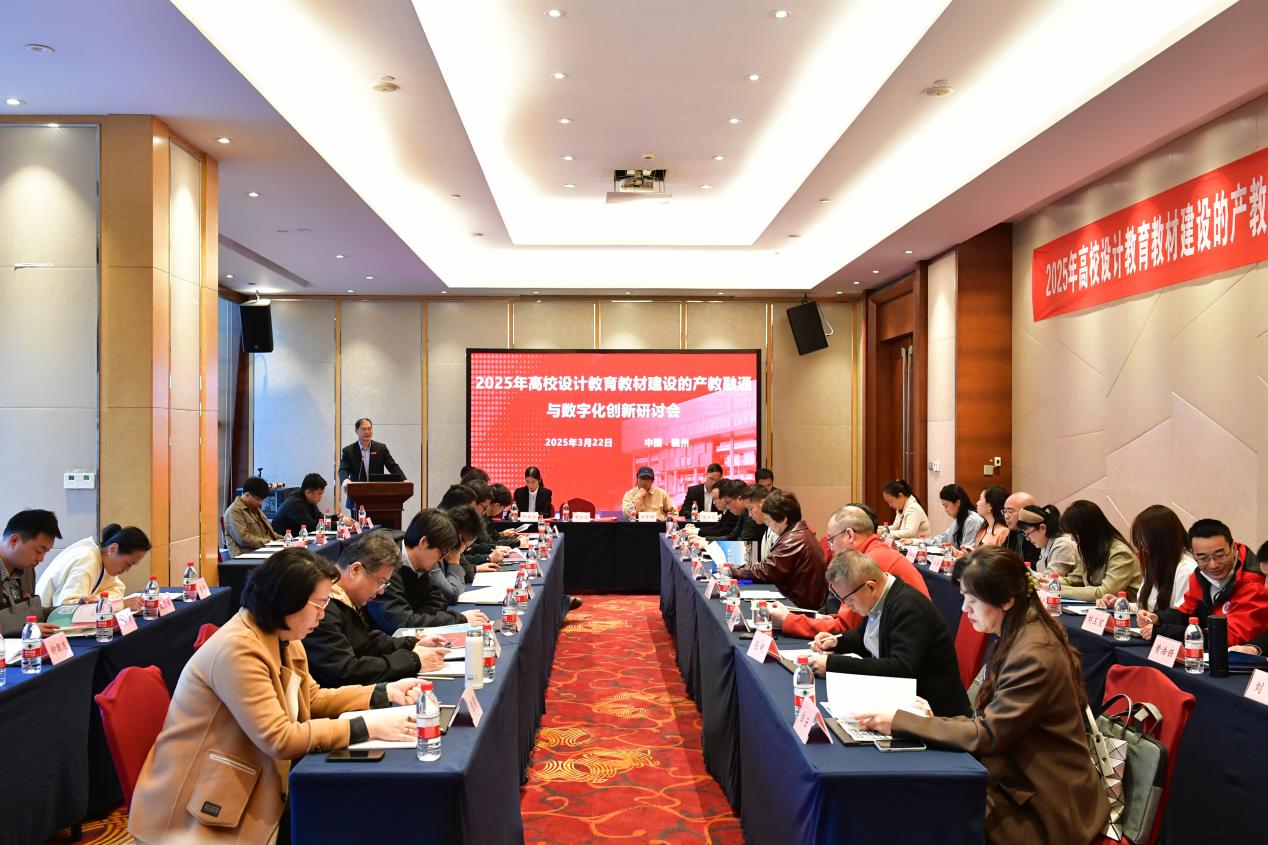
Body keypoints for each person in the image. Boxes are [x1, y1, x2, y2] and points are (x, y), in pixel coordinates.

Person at [128, 548, 421, 844]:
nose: (323, 614)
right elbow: (279, 738)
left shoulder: (285, 637)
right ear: (287, 601)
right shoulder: (238, 649)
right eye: (319, 604)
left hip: (247, 781)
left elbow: (311, 699)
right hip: (199, 810)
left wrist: (383, 693)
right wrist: (365, 727)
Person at [856, 546, 1109, 845]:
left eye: (973, 600)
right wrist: (929, 721)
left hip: (1047, 804)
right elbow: (991, 723)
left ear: (1006, 601)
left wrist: (901, 722)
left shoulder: (1033, 655)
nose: (964, 609)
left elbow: (987, 734)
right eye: (964, 598)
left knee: (923, 807)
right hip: (1016, 779)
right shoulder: (1019, 633)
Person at [805, 551, 970, 717]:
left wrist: (833, 665)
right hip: (905, 701)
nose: (847, 606)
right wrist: (836, 641)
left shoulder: (909, 607)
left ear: (870, 587)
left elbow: (900, 669)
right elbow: (865, 636)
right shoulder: (881, 597)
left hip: (937, 714)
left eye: (848, 600)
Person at [303, 532, 448, 686]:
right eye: (380, 582)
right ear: (355, 570)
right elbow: (345, 672)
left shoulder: (344, 600)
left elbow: (366, 641)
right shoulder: (322, 610)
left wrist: (413, 643)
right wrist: (412, 660)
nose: (381, 591)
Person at [772, 504, 929, 637]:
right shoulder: (874, 552)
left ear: (849, 535)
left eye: (832, 540)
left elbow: (845, 627)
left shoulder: (868, 563)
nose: (831, 548)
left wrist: (787, 620)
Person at [1141, 518, 1268, 646]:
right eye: (1203, 558)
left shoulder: (1254, 583)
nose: (1213, 565)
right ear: (1193, 555)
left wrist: (1165, 632)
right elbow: (1188, 611)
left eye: (1220, 555)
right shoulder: (1200, 575)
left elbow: (1229, 636)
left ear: (1233, 547)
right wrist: (1158, 618)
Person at [365, 509, 488, 634]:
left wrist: (418, 619)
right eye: (442, 552)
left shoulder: (422, 562)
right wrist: (458, 620)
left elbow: (438, 602)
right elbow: (401, 624)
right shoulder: (386, 566)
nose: (441, 559)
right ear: (424, 542)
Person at [733, 490, 826, 610]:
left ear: (783, 519)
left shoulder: (794, 540)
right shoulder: (796, 533)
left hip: (799, 605)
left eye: (769, 520)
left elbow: (766, 570)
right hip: (796, 597)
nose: (768, 524)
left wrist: (734, 571)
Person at [1095, 505, 1196, 615]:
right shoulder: (1156, 562)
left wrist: (1155, 618)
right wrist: (1120, 604)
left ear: (1161, 540)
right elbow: (1145, 607)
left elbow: (1181, 616)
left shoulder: (1186, 569)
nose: (1143, 547)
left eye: (1144, 541)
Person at [35, 524, 150, 608]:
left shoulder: (103, 561)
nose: (127, 570)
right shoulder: (86, 560)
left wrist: (98, 603)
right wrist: (121, 604)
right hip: (45, 622)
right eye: (128, 563)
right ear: (113, 549)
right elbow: (68, 607)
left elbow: (117, 590)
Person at [1058, 500, 1142, 601]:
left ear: (1087, 531)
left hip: (1123, 609)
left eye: (1075, 534)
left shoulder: (1121, 553)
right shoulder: (1091, 548)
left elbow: (1104, 593)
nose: (1072, 539)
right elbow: (1076, 579)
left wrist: (1058, 590)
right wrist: (1049, 583)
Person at [0, 509, 61, 636]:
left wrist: (73, 610)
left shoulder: (26, 569)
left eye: (45, 552)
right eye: (39, 551)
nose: (41, 559)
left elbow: (28, 612)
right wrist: (26, 630)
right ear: (14, 541)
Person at [338, 417, 405, 510]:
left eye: (369, 429)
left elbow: (393, 466)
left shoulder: (381, 448)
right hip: (357, 497)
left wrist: (404, 480)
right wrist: (345, 481)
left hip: (377, 496)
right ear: (356, 431)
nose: (367, 432)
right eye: (364, 429)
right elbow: (343, 469)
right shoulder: (349, 451)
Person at [1017, 504, 1080, 577]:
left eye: (1028, 533)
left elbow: (1051, 578)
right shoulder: (1045, 547)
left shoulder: (1063, 545)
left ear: (1042, 528)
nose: (1027, 539)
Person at [224, 476, 281, 556]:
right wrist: (271, 542)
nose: (260, 503)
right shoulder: (234, 511)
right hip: (248, 555)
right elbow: (243, 539)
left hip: (265, 550)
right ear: (247, 494)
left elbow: (269, 533)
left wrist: (284, 539)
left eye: (262, 500)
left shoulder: (255, 508)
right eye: (258, 499)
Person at [930, 484, 984, 550]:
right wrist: (925, 542)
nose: (945, 510)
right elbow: (945, 537)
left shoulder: (973, 521)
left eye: (946, 506)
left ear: (958, 503)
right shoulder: (960, 517)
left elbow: (967, 551)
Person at [1002, 491, 1040, 567]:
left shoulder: (1039, 533)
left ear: (1027, 512)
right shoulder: (1013, 532)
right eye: (1004, 511)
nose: (1006, 516)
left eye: (1010, 511)